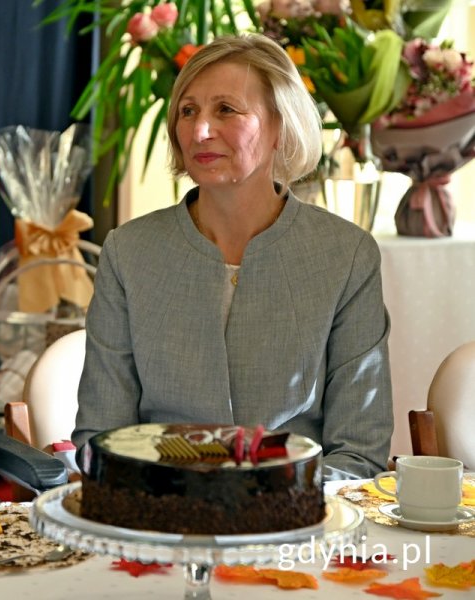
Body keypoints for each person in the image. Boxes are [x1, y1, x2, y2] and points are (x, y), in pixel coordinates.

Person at [73, 34, 393, 480]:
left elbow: (358, 455)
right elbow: (101, 440)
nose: (200, 130)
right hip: (159, 519)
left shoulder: (347, 256)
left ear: (282, 125)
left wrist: (262, 508)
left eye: (226, 109)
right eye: (188, 111)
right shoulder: (128, 252)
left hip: (295, 526)